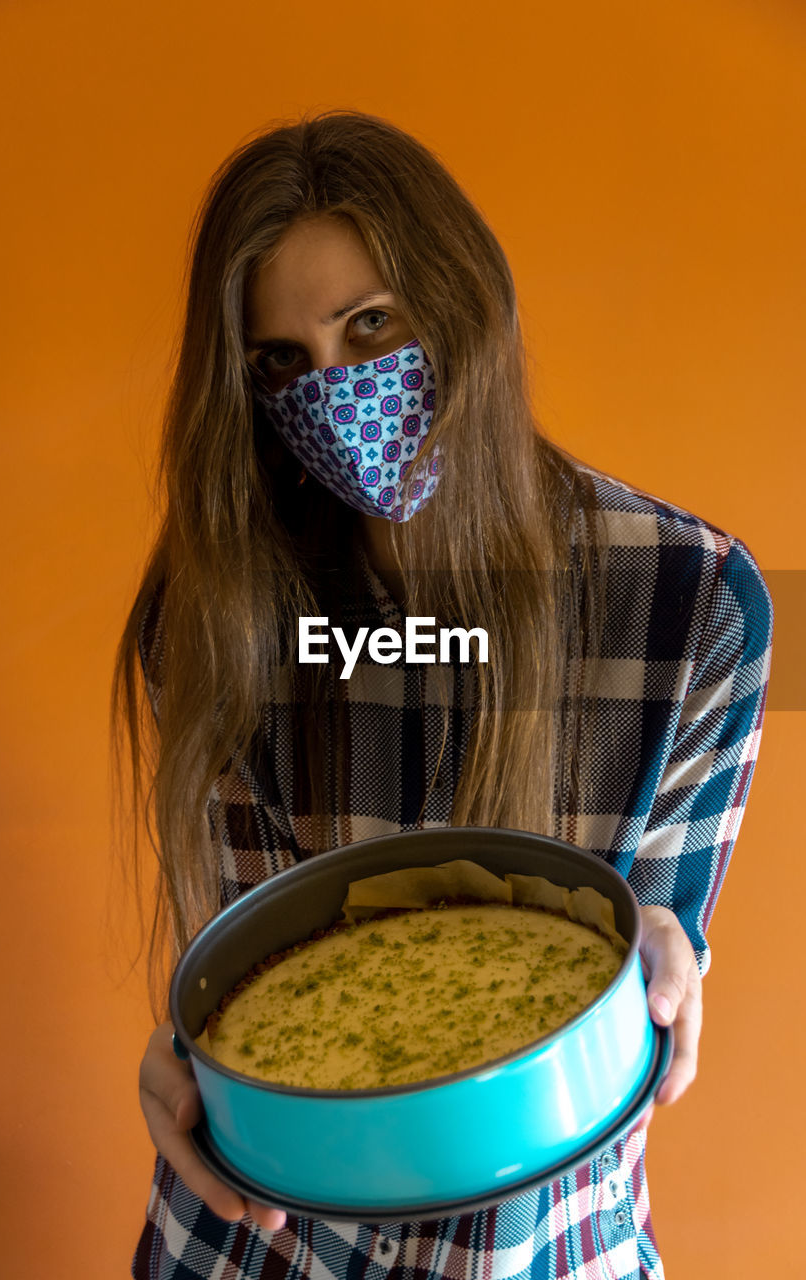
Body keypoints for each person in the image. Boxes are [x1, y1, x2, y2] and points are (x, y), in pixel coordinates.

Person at [114, 108, 773, 1280]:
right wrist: (190, 1056)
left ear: (463, 297)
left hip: (539, 1247)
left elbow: (640, 977)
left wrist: (662, 959)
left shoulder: (689, 606)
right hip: (261, 1242)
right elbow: (261, 966)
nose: (338, 391)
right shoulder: (217, 613)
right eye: (282, 362)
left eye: (372, 323)